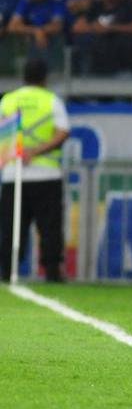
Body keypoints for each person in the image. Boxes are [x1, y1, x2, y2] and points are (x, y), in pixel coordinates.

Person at [0, 58, 69, 283]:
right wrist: (36, 151)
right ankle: (52, 271)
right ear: (45, 78)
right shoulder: (51, 100)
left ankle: (6, 271)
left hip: (14, 173)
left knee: (11, 225)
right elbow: (62, 132)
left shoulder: (8, 101)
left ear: (24, 76)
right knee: (49, 227)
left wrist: (17, 153)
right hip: (46, 174)